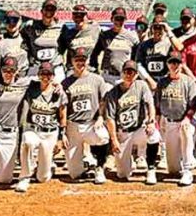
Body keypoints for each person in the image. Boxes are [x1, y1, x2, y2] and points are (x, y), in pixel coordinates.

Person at [15, 61, 68, 193]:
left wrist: (61, 136)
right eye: (43, 74)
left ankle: (47, 167)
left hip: (50, 133)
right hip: (33, 129)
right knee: (27, 142)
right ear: (38, 74)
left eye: (49, 74)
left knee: (42, 177)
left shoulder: (59, 93)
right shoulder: (31, 87)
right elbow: (17, 79)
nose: (46, 77)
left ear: (53, 76)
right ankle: (25, 176)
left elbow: (62, 116)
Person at [102, 60, 159, 183]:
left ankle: (151, 168)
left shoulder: (141, 86)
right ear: (122, 73)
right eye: (126, 72)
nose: (129, 75)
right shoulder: (113, 92)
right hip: (123, 132)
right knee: (122, 174)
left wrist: (151, 121)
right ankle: (128, 163)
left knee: (154, 134)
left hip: (139, 129)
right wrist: (114, 140)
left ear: (136, 74)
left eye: (132, 72)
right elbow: (110, 118)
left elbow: (150, 105)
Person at [62, 47, 110, 183]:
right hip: (73, 126)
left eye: (83, 60)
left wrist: (101, 117)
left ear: (87, 61)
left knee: (102, 137)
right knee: (74, 174)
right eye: (77, 60)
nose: (80, 63)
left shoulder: (97, 79)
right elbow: (63, 108)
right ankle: (85, 165)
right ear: (72, 61)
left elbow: (103, 101)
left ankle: (99, 166)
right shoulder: (66, 83)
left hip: (91, 123)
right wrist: (63, 130)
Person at [0, 55, 31, 188]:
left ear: (17, 71)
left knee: (4, 180)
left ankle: (0, 168)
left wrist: (57, 85)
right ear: (0, 70)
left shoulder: (24, 83)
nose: (8, 73)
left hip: (11, 133)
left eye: (12, 70)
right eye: (5, 70)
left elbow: (45, 80)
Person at [156, 51, 196, 186]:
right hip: (168, 122)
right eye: (171, 62)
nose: (174, 65)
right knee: (173, 170)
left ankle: (188, 169)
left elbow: (194, 105)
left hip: (185, 121)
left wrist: (187, 118)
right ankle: (179, 166)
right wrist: (157, 119)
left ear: (181, 64)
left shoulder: (188, 81)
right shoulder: (162, 82)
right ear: (167, 64)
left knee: (186, 131)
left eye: (177, 62)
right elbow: (157, 104)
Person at [22, 0, 64, 81]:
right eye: (46, 9)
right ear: (41, 11)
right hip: (36, 67)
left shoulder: (62, 28)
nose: (49, 11)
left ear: (56, 12)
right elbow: (20, 35)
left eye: (52, 9)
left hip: (55, 67)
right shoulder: (30, 26)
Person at [136, 20, 177, 92]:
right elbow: (139, 65)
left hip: (166, 81)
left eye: (160, 28)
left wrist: (166, 80)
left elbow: (177, 56)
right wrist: (149, 80)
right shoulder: (143, 45)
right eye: (155, 27)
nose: (157, 30)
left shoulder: (170, 45)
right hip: (148, 82)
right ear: (151, 28)